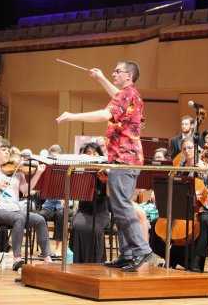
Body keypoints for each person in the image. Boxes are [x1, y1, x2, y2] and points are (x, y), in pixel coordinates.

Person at [57, 60, 153, 271]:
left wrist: (73, 116)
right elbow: (114, 98)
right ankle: (128, 254)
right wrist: (100, 78)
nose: (113, 74)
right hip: (124, 158)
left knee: (122, 207)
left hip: (124, 159)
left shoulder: (127, 94)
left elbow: (105, 114)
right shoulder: (128, 94)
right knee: (120, 207)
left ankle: (141, 250)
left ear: (129, 76)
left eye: (117, 71)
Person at [150, 136, 208, 272]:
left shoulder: (206, 166)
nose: (187, 151)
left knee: (205, 221)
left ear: (197, 149)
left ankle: (196, 263)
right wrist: (156, 191)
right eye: (184, 148)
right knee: (154, 225)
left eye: (190, 147)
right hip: (180, 208)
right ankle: (172, 259)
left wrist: (205, 171)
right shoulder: (178, 167)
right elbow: (169, 184)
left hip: (201, 209)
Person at [0, 138, 53, 271]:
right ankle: (17, 258)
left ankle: (47, 258)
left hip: (15, 210)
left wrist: (38, 173)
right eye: (3, 150)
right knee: (19, 218)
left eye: (8, 150)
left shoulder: (17, 171)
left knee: (40, 219)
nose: (7, 153)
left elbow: (26, 191)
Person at [70, 142, 110, 263]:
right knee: (77, 226)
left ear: (100, 155)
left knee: (96, 230)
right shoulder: (79, 170)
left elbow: (108, 195)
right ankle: (79, 262)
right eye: (88, 153)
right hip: (84, 211)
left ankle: (97, 262)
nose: (91, 156)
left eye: (95, 153)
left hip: (100, 212)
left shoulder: (106, 170)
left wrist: (106, 178)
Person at [39, 144, 67, 257]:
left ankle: (59, 247)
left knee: (60, 215)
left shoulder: (67, 170)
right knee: (40, 216)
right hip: (49, 205)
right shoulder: (47, 170)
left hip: (64, 206)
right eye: (52, 158)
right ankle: (45, 249)